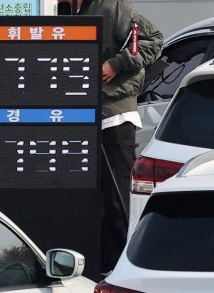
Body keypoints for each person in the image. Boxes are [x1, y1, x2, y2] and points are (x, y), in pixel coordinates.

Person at [78, 0, 161, 273]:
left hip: (115, 116)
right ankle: (97, 263)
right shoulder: (59, 11)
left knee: (116, 197)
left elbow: (152, 40)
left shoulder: (112, 6)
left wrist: (117, 63)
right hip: (80, 119)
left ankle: (118, 266)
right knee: (90, 197)